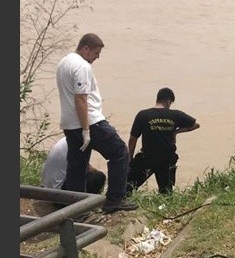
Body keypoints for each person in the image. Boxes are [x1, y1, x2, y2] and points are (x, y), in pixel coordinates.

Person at [56, 32, 137, 214]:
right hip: (90, 123)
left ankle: (76, 210)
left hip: (70, 125)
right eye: (96, 53)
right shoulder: (82, 66)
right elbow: (81, 99)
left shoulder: (64, 63)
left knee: (77, 165)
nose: (97, 58)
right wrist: (86, 130)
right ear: (86, 49)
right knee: (119, 152)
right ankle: (115, 200)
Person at [127, 87, 200, 195]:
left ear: (158, 99)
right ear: (168, 101)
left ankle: (120, 201)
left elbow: (133, 139)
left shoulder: (143, 115)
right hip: (166, 159)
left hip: (147, 158)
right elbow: (195, 125)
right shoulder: (176, 115)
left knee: (127, 188)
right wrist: (176, 132)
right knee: (166, 193)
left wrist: (130, 159)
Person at [42, 137, 106, 194]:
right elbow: (80, 170)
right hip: (58, 192)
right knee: (99, 177)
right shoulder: (81, 143)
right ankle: (86, 202)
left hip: (48, 187)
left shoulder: (71, 138)